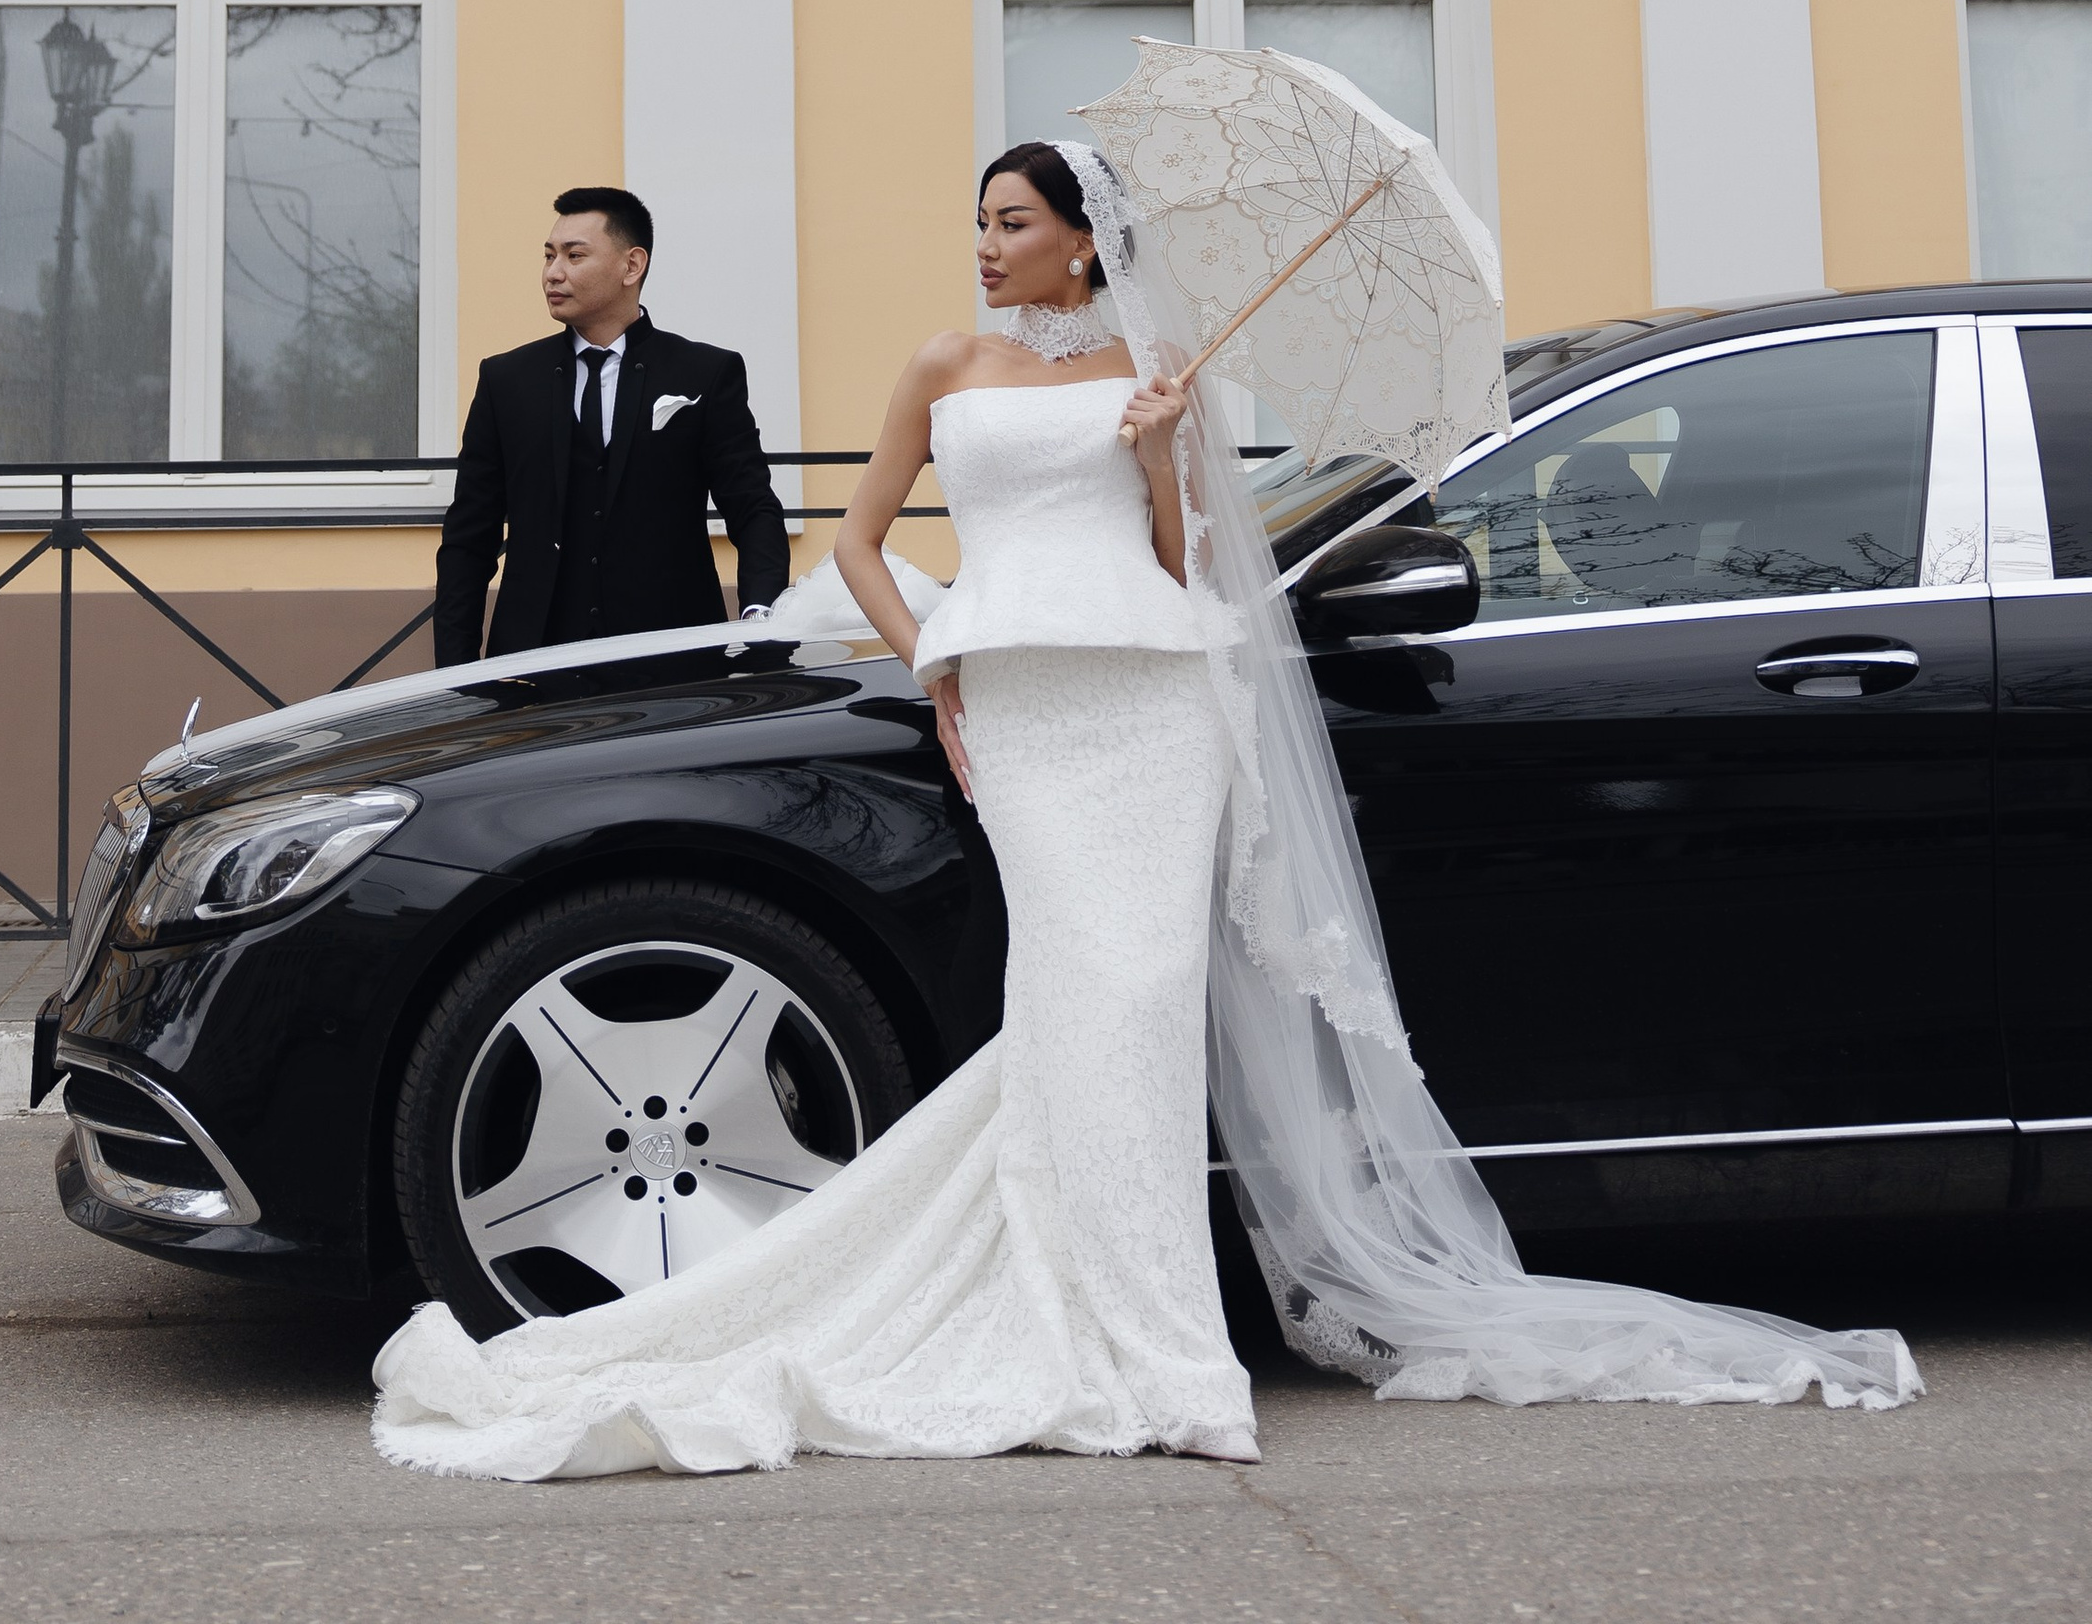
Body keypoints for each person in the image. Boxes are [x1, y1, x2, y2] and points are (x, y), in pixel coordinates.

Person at [375, 141, 1919, 1479]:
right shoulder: (941, 365)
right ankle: (1092, 1322)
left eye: (1010, 220)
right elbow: (853, 544)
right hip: (1028, 711)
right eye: (977, 220)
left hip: (1153, 704)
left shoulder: (1156, 373)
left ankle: (1172, 1355)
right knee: (1081, 997)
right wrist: (942, 673)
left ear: (1078, 237)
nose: (986, 245)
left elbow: (1182, 572)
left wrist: (1165, 449)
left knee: (1147, 999)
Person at [431, 186, 791, 665]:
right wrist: (454, 672)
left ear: (632, 265)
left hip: (673, 660)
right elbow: (468, 539)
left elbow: (753, 509)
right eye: (549, 255)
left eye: (575, 256)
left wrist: (760, 619)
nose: (553, 273)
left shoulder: (705, 373)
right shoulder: (506, 381)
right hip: (532, 661)